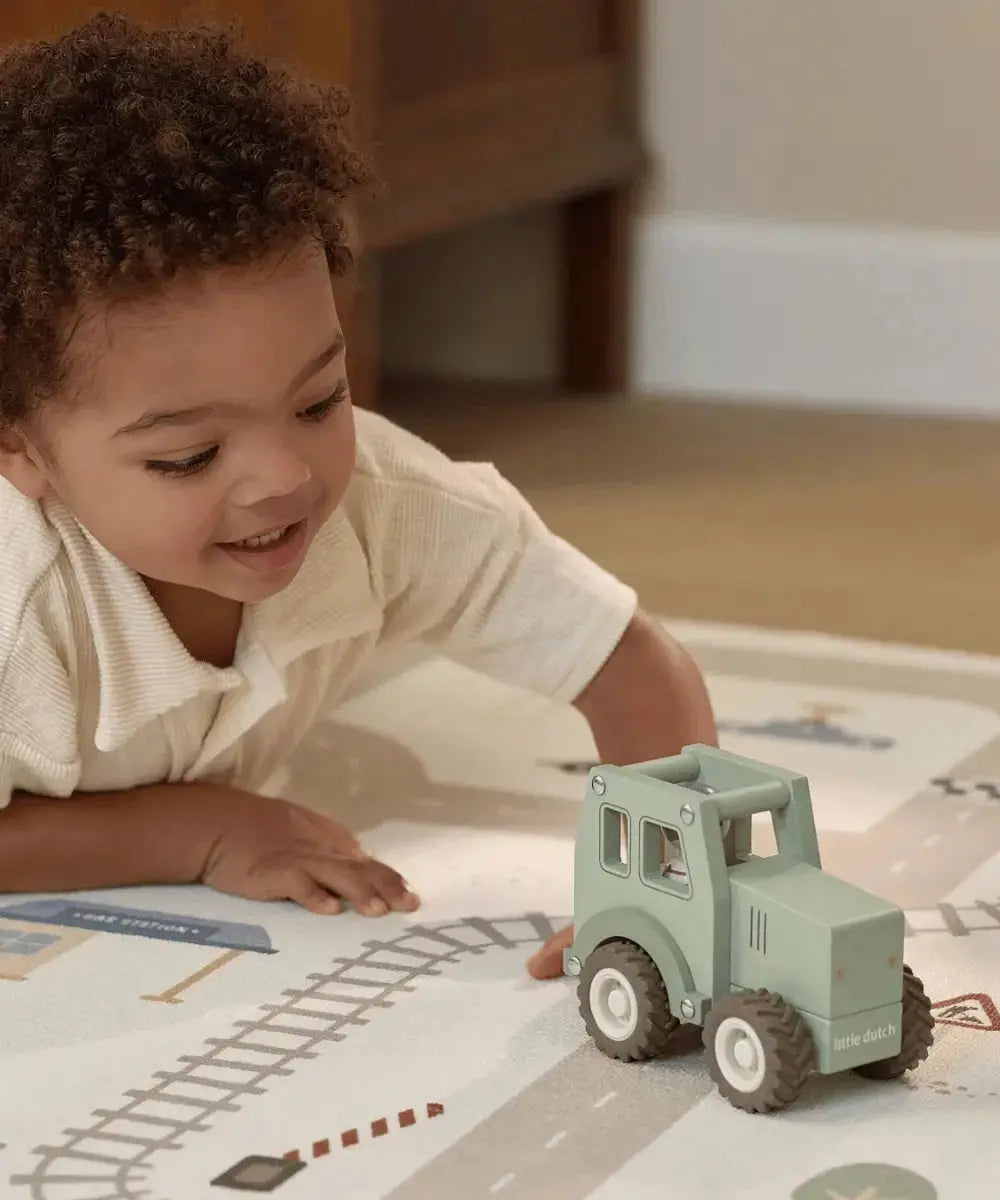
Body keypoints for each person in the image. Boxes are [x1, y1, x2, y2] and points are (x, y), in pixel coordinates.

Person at [0, 13, 717, 982]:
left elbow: (628, 663)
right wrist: (200, 829)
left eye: (317, 399)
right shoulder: (17, 600)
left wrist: (661, 894)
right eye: (190, 454)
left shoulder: (391, 507)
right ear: (20, 447)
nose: (286, 477)